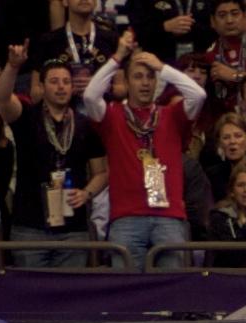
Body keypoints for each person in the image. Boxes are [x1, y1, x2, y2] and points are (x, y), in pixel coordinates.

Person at [82, 38, 207, 261]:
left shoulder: (172, 115)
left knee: (172, 282)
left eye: (150, 77)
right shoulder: (112, 116)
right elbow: (90, 96)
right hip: (126, 218)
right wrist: (117, 58)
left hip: (169, 217)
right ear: (126, 82)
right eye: (138, 77)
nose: (145, 83)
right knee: (127, 283)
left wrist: (162, 68)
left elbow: (198, 95)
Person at [0, 54, 107, 267]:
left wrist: (87, 193)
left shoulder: (85, 125)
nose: (61, 87)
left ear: (72, 87)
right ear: (41, 86)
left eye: (66, 82)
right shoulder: (26, 116)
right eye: (54, 81)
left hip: (73, 229)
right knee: (31, 287)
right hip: (29, 227)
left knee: (70, 288)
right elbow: (2, 99)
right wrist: (12, 66)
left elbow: (101, 172)